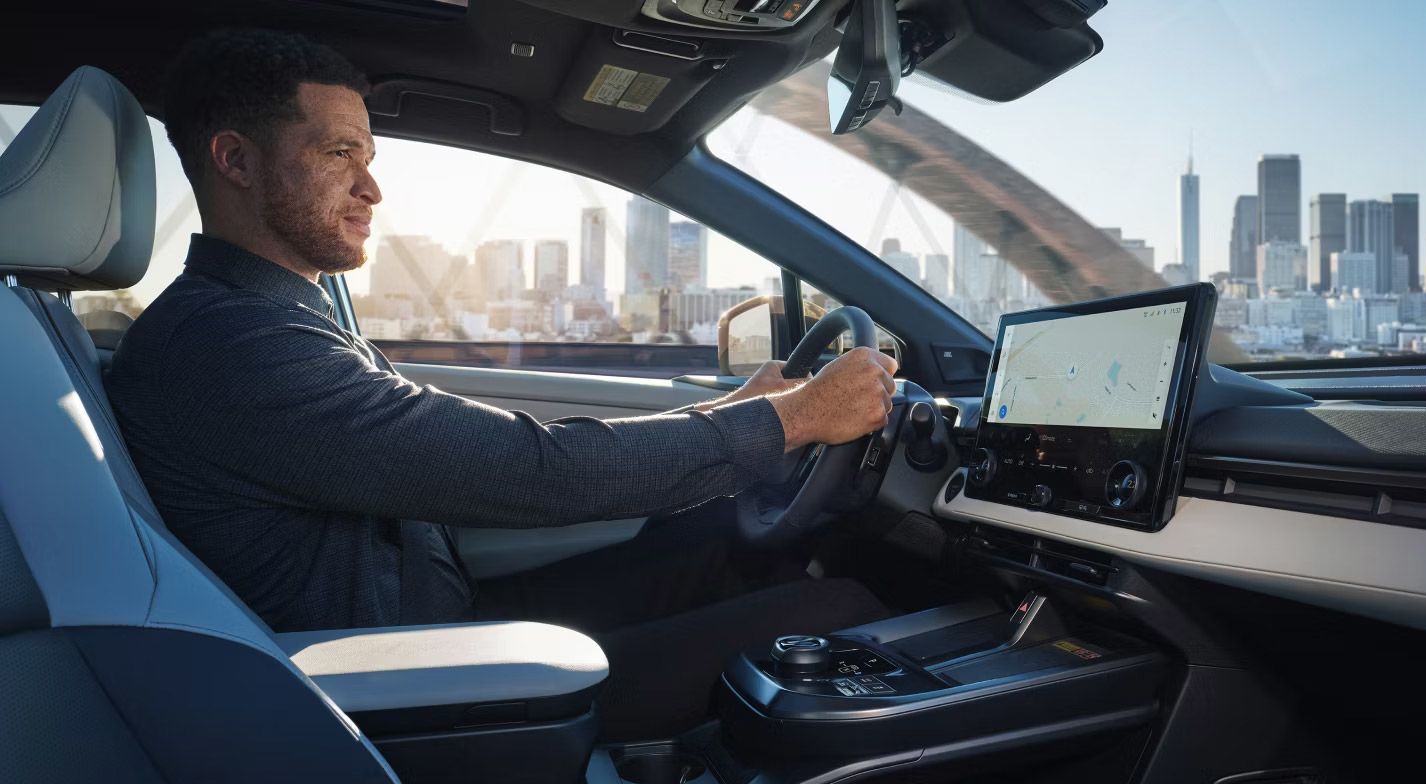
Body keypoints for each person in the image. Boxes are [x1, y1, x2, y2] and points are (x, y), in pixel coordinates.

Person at [107, 28, 898, 741]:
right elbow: (529, 470)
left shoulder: (273, 316)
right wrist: (793, 420)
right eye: (337, 154)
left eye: (368, 159)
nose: (372, 190)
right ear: (235, 160)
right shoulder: (229, 344)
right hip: (408, 695)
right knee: (841, 617)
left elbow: (464, 446)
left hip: (437, 629)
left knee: (720, 542)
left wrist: (742, 408)